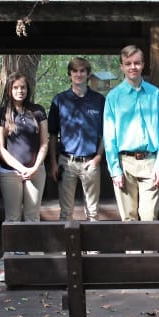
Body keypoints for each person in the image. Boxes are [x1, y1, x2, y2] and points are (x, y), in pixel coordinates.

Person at [0, 72, 48, 282]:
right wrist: (19, 168)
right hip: (10, 173)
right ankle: (8, 261)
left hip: (36, 170)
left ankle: (34, 260)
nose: (20, 91)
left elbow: (44, 142)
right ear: (9, 89)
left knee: (33, 216)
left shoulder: (38, 111)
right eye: (15, 87)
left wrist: (34, 167)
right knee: (13, 218)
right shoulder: (0, 114)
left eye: (23, 87)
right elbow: (0, 148)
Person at [103, 45, 159, 221]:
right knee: (128, 220)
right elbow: (109, 137)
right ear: (122, 66)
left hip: (150, 162)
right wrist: (114, 169)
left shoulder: (155, 94)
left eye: (137, 63)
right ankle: (132, 251)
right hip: (124, 163)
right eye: (128, 63)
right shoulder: (113, 96)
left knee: (149, 218)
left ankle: (149, 250)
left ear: (143, 65)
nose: (133, 67)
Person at [48, 57, 105, 221]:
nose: (78, 74)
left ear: (88, 74)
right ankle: (68, 247)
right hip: (67, 161)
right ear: (69, 74)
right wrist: (53, 163)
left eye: (82, 71)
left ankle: (93, 248)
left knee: (93, 213)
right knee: (66, 212)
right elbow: (52, 134)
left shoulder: (99, 100)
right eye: (75, 71)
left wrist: (98, 157)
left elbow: (105, 133)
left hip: (91, 161)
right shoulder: (60, 100)